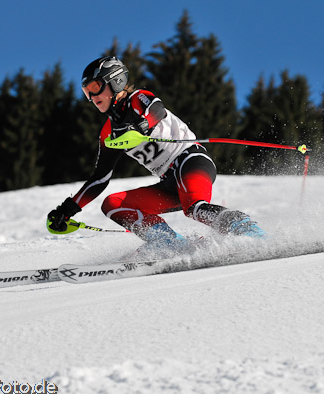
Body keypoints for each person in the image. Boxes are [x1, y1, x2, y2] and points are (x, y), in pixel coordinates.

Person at [47, 56, 265, 250]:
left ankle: (248, 230)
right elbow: (100, 177)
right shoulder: (108, 133)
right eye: (87, 92)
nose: (92, 97)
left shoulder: (137, 99)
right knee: (113, 204)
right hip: (169, 182)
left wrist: (143, 125)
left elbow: (156, 109)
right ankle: (171, 244)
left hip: (190, 160)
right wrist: (67, 210)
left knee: (195, 208)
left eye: (95, 87)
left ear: (115, 81)